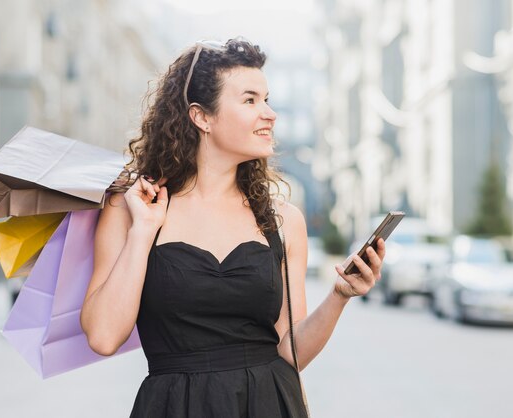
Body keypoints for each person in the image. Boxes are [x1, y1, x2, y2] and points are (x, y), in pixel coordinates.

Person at [80, 37, 385, 418]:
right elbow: (104, 337)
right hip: (174, 407)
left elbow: (290, 353)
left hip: (269, 404)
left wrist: (339, 295)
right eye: (250, 100)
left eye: (267, 99)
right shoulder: (131, 209)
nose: (270, 113)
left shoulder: (283, 220)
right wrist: (143, 232)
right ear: (201, 117)